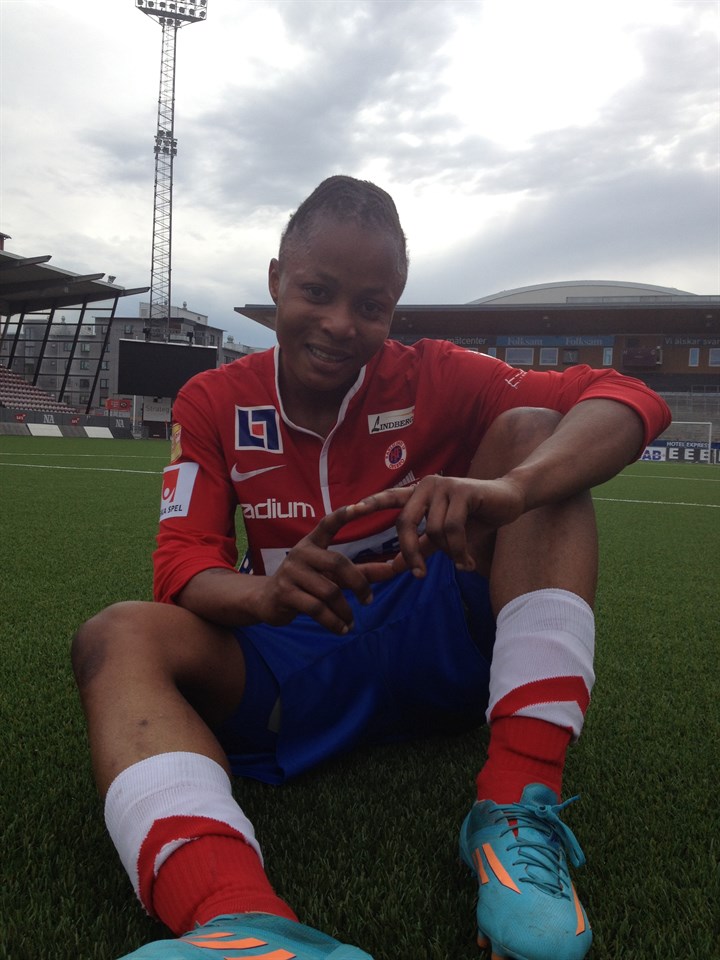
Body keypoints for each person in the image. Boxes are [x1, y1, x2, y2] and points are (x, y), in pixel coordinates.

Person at [72, 175, 671, 960]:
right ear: (276, 279)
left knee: (537, 432)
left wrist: (514, 487)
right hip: (293, 660)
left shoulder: (438, 374)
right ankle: (238, 921)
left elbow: (624, 395)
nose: (339, 324)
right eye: (317, 292)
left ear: (394, 309)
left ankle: (516, 807)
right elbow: (182, 566)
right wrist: (264, 593)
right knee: (116, 635)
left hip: (443, 647)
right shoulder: (213, 400)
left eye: (371, 305)